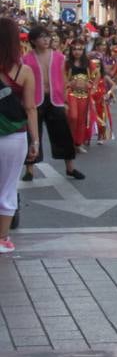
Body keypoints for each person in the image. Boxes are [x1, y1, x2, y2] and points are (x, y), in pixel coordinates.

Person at [21, 25, 83, 182]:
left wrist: (65, 100)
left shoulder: (59, 56)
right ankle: (29, 170)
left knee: (62, 133)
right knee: (33, 134)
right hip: (35, 100)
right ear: (34, 41)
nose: (46, 39)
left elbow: (63, 78)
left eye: (48, 36)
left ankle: (70, 167)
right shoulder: (26, 59)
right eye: (42, 37)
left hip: (55, 100)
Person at [0, 17, 38, 254]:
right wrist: (35, 140)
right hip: (14, 137)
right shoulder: (24, 71)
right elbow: (30, 108)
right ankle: (3, 238)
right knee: (7, 188)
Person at [64, 42, 93, 151]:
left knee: (81, 119)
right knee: (73, 117)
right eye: (75, 49)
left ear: (83, 51)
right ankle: (69, 141)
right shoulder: (67, 63)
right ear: (71, 51)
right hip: (71, 93)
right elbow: (62, 77)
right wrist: (69, 84)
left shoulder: (88, 63)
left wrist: (89, 85)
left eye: (80, 49)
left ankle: (78, 143)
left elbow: (96, 76)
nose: (77, 51)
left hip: (84, 94)